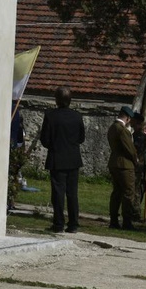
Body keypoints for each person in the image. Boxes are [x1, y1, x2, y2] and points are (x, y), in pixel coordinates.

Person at [39, 87, 86, 233]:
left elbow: (45, 139)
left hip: (57, 158)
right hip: (72, 158)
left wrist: (54, 145)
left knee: (58, 193)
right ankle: (73, 224)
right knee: (72, 193)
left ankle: (58, 224)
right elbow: (81, 138)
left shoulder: (50, 116)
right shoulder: (77, 116)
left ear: (57, 99)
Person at [107, 106, 139, 230]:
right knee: (128, 193)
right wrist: (136, 160)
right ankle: (127, 221)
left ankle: (114, 220)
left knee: (117, 192)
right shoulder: (122, 130)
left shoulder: (112, 127)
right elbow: (130, 149)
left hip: (114, 162)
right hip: (125, 165)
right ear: (128, 118)